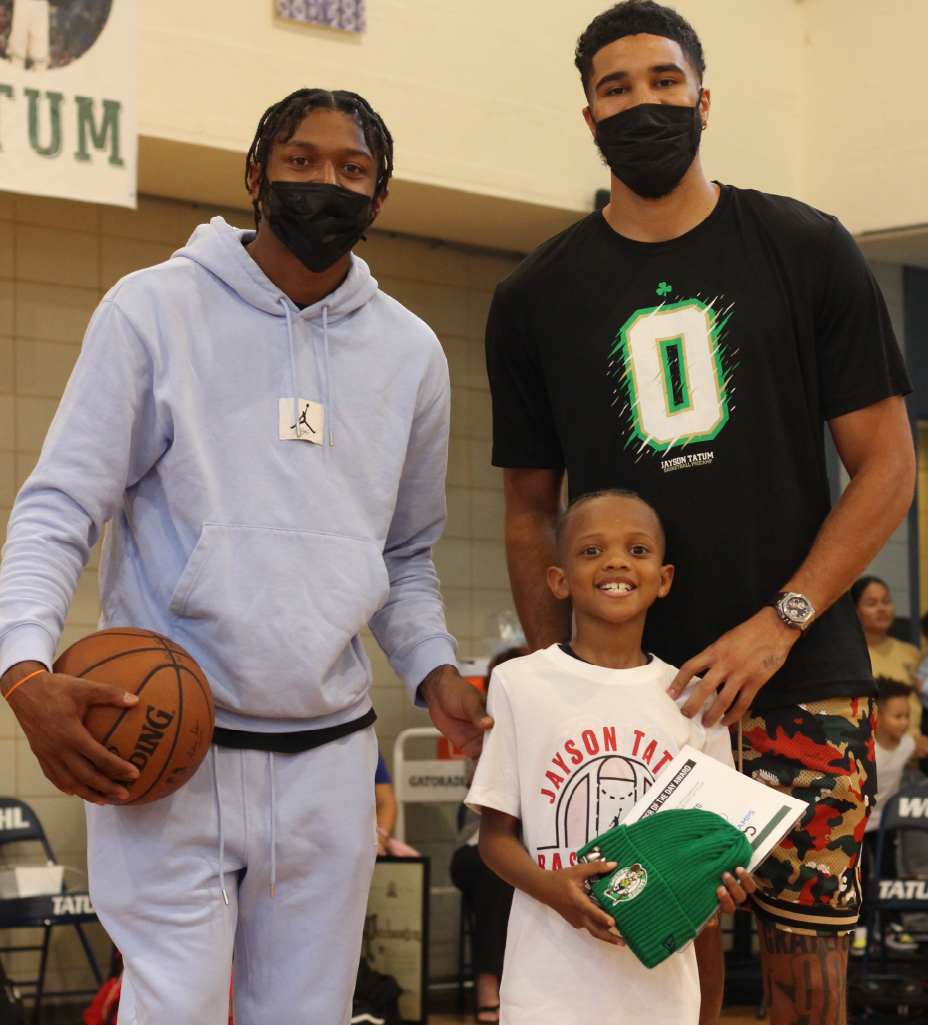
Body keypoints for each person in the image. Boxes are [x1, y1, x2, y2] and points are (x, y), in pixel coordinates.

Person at [0, 88, 492, 1025]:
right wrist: (23, 668)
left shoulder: (412, 353)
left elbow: (406, 554)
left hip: (330, 757)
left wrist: (433, 670)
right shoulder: (152, 308)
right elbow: (59, 507)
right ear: (256, 174)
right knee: (173, 1010)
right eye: (302, 160)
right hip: (167, 745)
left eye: (353, 170)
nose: (326, 182)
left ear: (380, 198)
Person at [486, 3, 914, 1021]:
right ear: (586, 114)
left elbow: (887, 465)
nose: (644, 103)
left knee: (808, 968)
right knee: (663, 967)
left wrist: (783, 620)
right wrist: (558, 692)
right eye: (617, 87)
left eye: (664, 81)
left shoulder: (805, 246)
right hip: (641, 700)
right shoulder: (534, 293)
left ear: (704, 98)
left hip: (799, 674)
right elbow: (525, 512)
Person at [467, 490, 755, 1025]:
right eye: (592, 551)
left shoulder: (695, 701)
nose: (617, 561)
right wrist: (553, 890)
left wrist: (723, 885)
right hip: (547, 985)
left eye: (637, 550)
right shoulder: (519, 683)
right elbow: (494, 838)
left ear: (664, 578)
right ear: (559, 580)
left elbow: (715, 860)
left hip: (661, 992)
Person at [450, 646, 525, 1025]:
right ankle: (487, 990)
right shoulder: (487, 728)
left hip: (532, 848)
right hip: (476, 847)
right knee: (498, 869)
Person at [852, 678, 927, 956]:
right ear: (876, 718)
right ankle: (859, 929)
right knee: (861, 875)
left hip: (886, 825)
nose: (905, 723)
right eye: (897, 716)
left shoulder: (907, 745)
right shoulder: (865, 746)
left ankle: (891, 926)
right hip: (858, 823)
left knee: (887, 873)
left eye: (907, 716)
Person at [852, 575, 924, 740]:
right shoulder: (851, 657)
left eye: (886, 601)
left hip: (916, 748)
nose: (881, 608)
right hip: (875, 751)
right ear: (854, 612)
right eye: (872, 604)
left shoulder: (911, 653)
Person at [7, 0, 49, 69]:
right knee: (18, 46)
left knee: (40, 48)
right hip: (22, 3)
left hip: (40, 5)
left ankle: (40, 74)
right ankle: (15, 74)